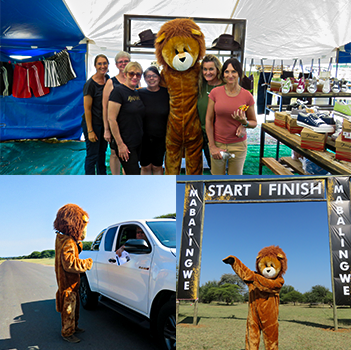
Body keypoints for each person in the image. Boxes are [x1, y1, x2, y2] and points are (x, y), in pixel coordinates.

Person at [206, 58, 257, 175]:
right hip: (218, 143)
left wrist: (245, 123)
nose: (230, 75)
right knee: (216, 181)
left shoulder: (247, 95)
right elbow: (209, 120)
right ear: (223, 73)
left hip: (238, 145)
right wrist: (212, 146)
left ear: (239, 73)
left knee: (235, 182)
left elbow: (253, 122)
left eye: (233, 71)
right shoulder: (215, 93)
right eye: (227, 71)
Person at [54, 204, 93, 343]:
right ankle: (67, 333)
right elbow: (70, 264)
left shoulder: (62, 239)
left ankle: (74, 327)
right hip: (69, 284)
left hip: (68, 283)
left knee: (74, 308)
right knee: (69, 310)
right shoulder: (69, 242)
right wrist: (87, 263)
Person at [108, 62, 145, 175]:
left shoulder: (136, 92)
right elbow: (112, 119)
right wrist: (120, 144)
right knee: (133, 174)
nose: (135, 77)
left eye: (138, 74)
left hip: (137, 141)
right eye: (131, 74)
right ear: (125, 74)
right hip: (126, 143)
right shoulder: (118, 92)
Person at [102, 51, 131, 175]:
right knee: (114, 152)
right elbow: (105, 107)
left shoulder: (134, 81)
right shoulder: (111, 83)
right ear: (116, 65)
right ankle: (115, 178)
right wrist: (106, 129)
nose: (123, 64)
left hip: (130, 125)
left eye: (126, 61)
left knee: (128, 152)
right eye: (121, 62)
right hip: (115, 124)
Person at [138, 66, 170, 175]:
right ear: (144, 78)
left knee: (157, 166)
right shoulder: (139, 93)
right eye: (148, 76)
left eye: (154, 76)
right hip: (143, 137)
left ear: (159, 78)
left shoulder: (167, 93)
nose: (151, 79)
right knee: (145, 166)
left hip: (161, 137)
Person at [82, 54, 109, 175]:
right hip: (93, 124)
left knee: (102, 153)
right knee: (92, 155)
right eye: (100, 63)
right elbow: (87, 109)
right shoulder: (90, 85)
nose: (102, 66)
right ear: (95, 66)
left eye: (105, 63)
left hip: (103, 124)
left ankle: (102, 177)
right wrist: (90, 130)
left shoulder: (108, 80)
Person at [197, 54, 223, 170]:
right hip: (199, 133)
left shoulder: (225, 87)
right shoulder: (200, 86)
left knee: (216, 168)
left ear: (217, 70)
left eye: (211, 69)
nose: (208, 72)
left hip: (217, 135)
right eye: (205, 69)